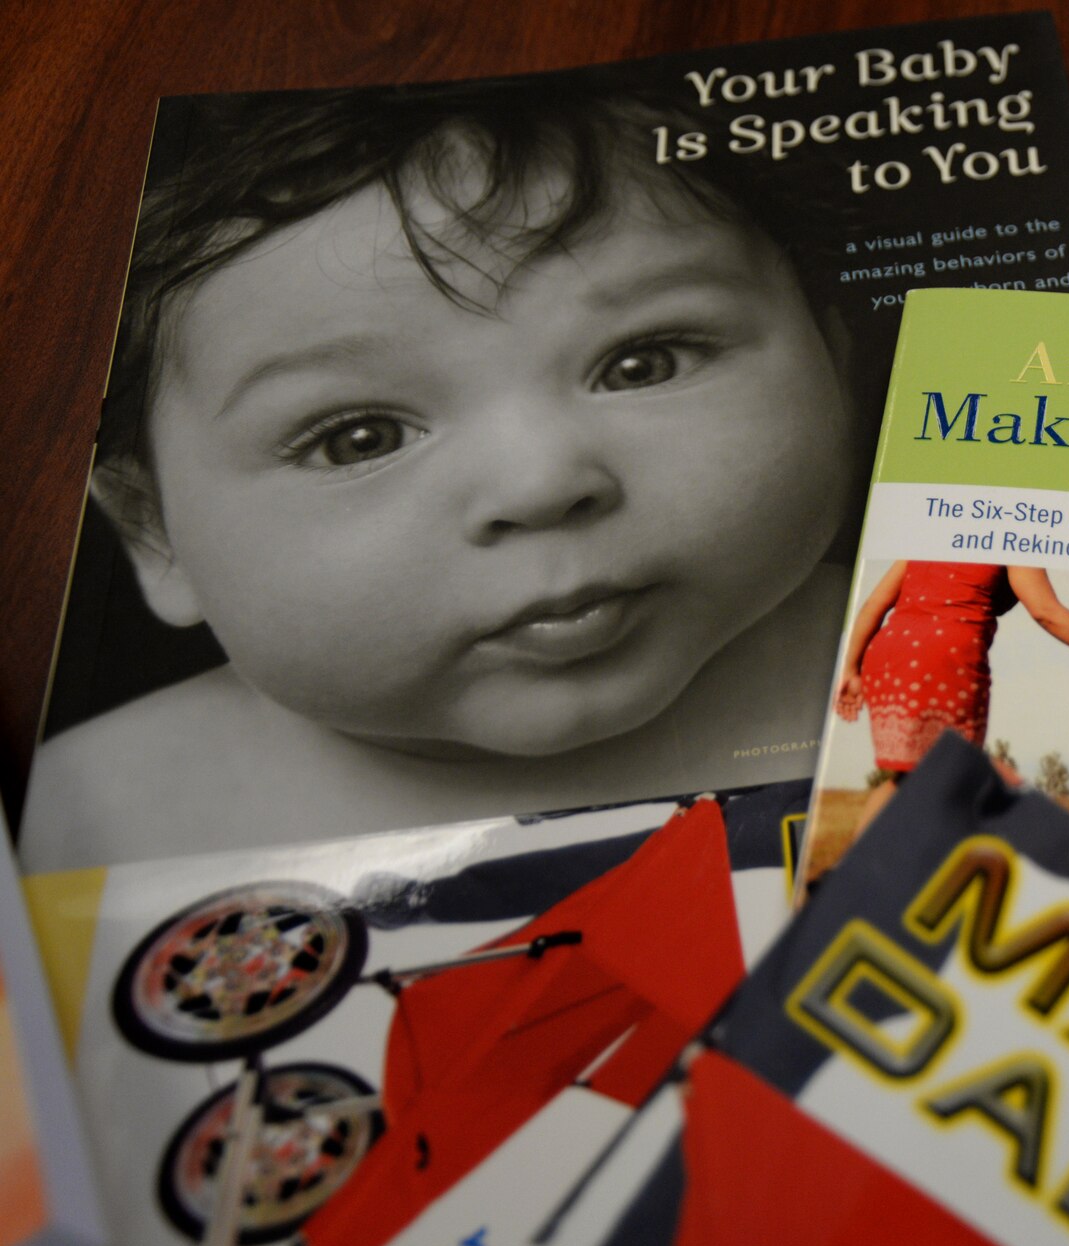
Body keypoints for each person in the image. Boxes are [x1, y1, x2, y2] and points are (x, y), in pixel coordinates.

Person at [20, 76, 861, 872]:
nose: (539, 484)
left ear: (836, 354)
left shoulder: (935, 654)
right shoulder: (97, 811)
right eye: (359, 437)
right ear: (153, 530)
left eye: (644, 363)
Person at [834, 562, 1069, 834]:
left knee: (907, 777)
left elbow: (873, 604)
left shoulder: (942, 524)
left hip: (890, 654)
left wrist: (850, 667)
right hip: (942, 659)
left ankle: (846, 880)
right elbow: (1046, 612)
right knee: (945, 781)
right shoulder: (1011, 530)